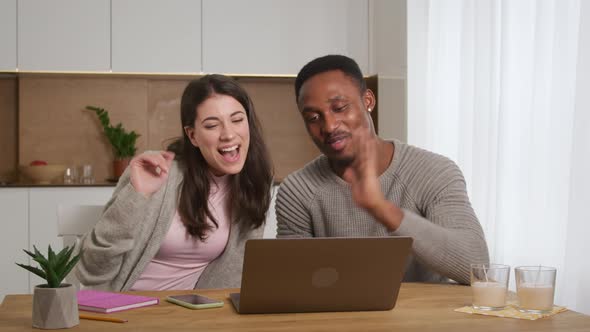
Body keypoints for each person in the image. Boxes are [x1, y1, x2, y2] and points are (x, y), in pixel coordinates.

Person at [276, 55, 489, 285]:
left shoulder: (433, 171)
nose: (328, 126)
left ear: (368, 100)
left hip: (422, 319)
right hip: (339, 320)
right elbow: (294, 284)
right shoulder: (297, 191)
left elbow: (476, 267)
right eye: (313, 118)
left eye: (339, 108)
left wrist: (384, 210)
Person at [76, 74, 273, 291]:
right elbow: (91, 269)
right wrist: (136, 196)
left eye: (237, 120)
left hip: (194, 314)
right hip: (124, 310)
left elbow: (235, 272)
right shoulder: (157, 171)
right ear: (193, 136)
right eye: (211, 125)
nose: (228, 134)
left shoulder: (255, 181)